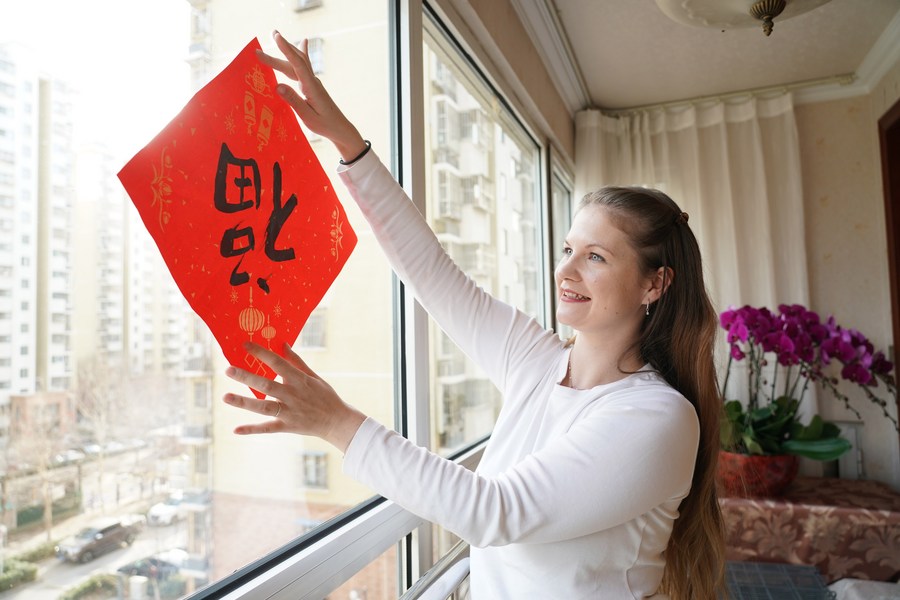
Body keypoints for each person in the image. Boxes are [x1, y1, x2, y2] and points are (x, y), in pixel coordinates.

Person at [223, 31, 726, 600]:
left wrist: (337, 423)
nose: (565, 271)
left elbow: (495, 512)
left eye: (595, 257)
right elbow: (431, 273)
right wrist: (347, 142)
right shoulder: (537, 359)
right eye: (567, 249)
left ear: (654, 283)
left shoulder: (658, 418)